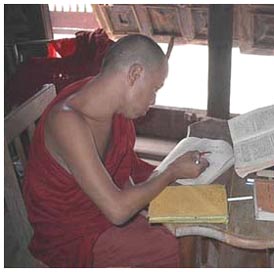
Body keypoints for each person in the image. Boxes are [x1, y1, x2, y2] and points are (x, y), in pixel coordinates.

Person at [23, 34, 209, 268]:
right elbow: (118, 211)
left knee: (184, 228)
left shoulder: (108, 104)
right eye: (154, 88)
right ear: (134, 74)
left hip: (101, 207)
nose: (153, 99)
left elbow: (123, 173)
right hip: (71, 235)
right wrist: (171, 172)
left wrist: (145, 206)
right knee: (171, 249)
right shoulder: (67, 121)